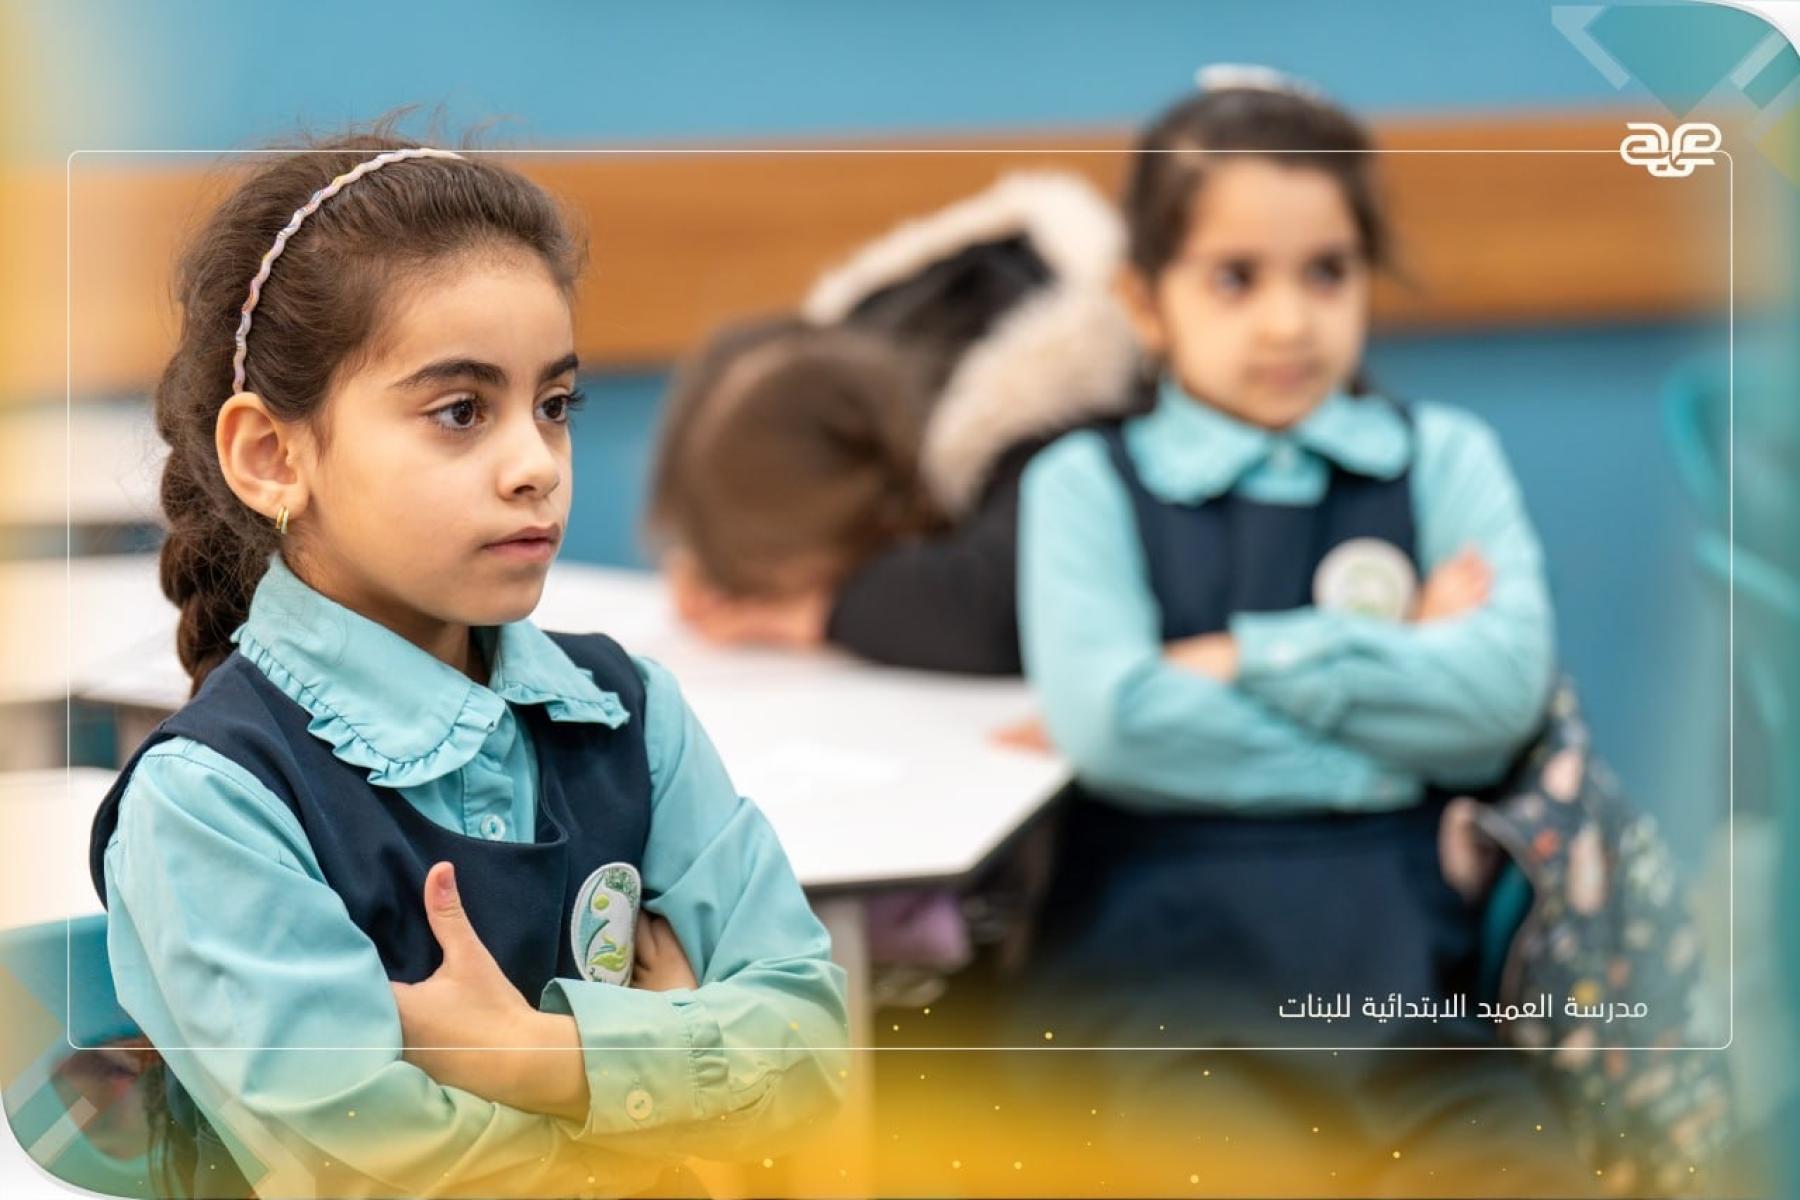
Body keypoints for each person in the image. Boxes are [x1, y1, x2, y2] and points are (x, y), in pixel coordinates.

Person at [87, 129, 847, 1198]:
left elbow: (818, 1051)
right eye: (460, 413)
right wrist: (677, 1094)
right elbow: (386, 1178)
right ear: (272, 456)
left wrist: (541, 1060)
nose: (536, 465)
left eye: (554, 406)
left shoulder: (627, 713)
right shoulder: (210, 806)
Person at [1011, 68, 1590, 1195]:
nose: (1288, 321)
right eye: (1234, 277)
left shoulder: (1444, 458)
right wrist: (1396, 721)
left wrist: (1247, 657)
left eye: (1327, 271)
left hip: (1411, 1005)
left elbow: (1496, 701)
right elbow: (1115, 725)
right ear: (1145, 300)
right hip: (1156, 1008)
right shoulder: (1081, 482)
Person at [648, 171, 1144, 675]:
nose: (761, 594)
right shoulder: (869, 349)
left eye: (771, 578)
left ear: (860, 510)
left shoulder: (1043, 403)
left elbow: (1000, 613)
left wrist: (810, 614)